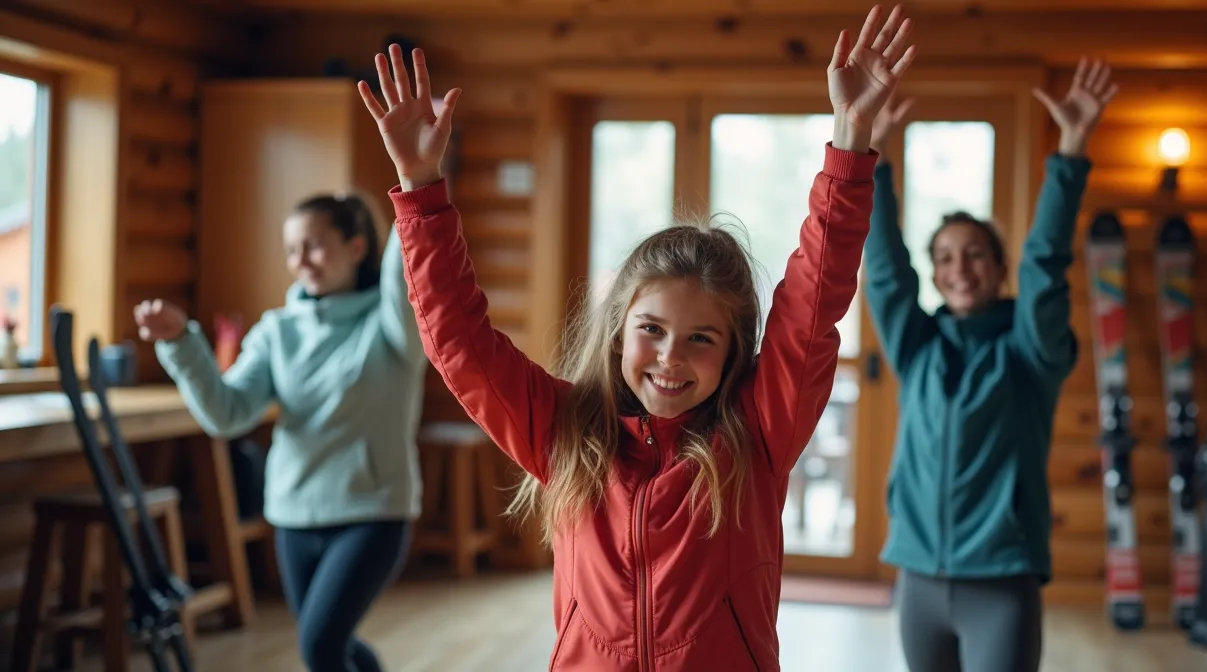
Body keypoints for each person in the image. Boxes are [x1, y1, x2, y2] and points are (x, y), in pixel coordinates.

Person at [356, 5, 915, 669]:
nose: (670, 358)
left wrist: (850, 142)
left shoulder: (757, 435)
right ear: (619, 331)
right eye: (651, 329)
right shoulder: (562, 430)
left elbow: (812, 302)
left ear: (735, 351)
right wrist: (421, 189)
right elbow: (459, 342)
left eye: (701, 339)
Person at [862, 58, 1119, 672]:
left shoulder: (1030, 354)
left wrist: (1071, 153)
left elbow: (1045, 267)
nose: (959, 268)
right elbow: (884, 268)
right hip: (917, 578)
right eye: (945, 256)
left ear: (999, 267)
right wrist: (871, 158)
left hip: (1002, 582)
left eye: (975, 254)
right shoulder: (917, 347)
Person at [133, 190, 427, 672]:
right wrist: (180, 342)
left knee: (320, 647)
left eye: (314, 246)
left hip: (373, 514)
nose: (300, 261)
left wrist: (413, 190)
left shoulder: (392, 326)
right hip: (293, 518)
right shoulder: (277, 331)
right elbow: (227, 413)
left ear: (356, 248)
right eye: (292, 249)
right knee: (336, 645)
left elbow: (404, 272)